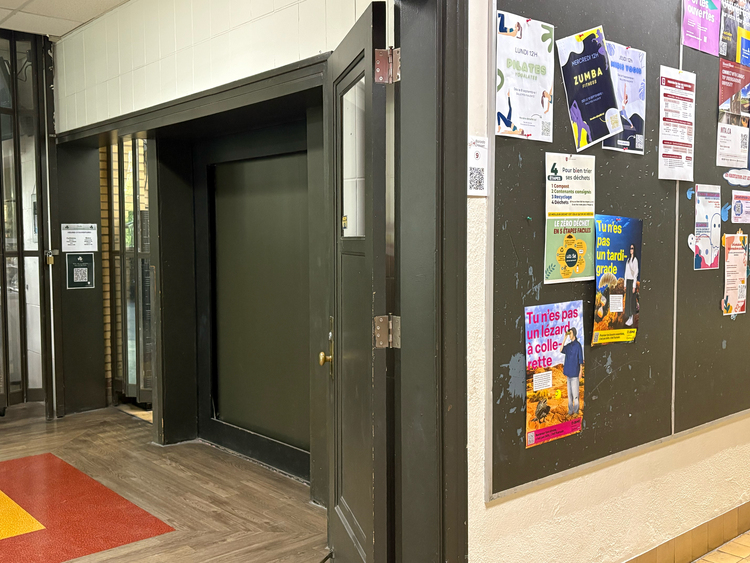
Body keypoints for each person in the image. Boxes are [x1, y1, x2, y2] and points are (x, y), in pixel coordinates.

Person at [560, 327, 583, 416]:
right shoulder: (568, 346)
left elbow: (580, 359)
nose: (569, 335)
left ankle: (576, 411)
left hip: (575, 373)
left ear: (574, 333)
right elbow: (561, 350)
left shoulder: (578, 345)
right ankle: (570, 412)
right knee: (569, 395)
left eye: (570, 333)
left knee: (575, 394)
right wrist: (564, 338)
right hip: (568, 373)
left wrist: (581, 371)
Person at [624, 243, 639, 326]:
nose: (631, 250)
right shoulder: (628, 260)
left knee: (631, 300)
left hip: (632, 281)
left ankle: (632, 318)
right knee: (628, 300)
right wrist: (625, 284)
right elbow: (626, 272)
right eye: (630, 248)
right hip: (628, 281)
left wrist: (634, 286)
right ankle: (629, 317)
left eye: (632, 248)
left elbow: (636, 273)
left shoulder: (635, 260)